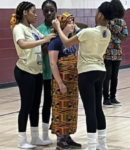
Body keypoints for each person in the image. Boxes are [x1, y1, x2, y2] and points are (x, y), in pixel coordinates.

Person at [51, 0, 125, 150]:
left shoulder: (87, 32)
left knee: (90, 109)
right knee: (98, 108)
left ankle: (91, 145)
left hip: (87, 73)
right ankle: (102, 144)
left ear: (99, 14)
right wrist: (77, 28)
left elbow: (66, 41)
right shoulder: (107, 32)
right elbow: (85, 34)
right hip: (101, 72)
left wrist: (58, 27)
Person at [10, 1, 56, 149]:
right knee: (26, 105)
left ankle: (35, 137)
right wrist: (44, 40)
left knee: (35, 105)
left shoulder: (33, 29)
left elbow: (47, 38)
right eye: (33, 12)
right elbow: (22, 44)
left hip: (37, 72)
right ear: (25, 13)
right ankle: (22, 140)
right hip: (24, 71)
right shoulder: (19, 28)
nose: (36, 15)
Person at [48, 12, 82, 150]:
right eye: (69, 22)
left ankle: (67, 136)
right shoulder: (55, 42)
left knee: (71, 110)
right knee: (61, 109)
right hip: (61, 82)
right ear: (62, 25)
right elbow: (53, 64)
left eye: (73, 22)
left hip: (72, 83)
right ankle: (60, 140)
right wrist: (60, 83)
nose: (72, 25)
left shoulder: (72, 40)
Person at [37, 0, 57, 144]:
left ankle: (62, 134)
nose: (49, 13)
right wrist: (48, 38)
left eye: (51, 10)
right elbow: (42, 51)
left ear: (56, 10)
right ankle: (44, 134)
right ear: (42, 11)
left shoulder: (61, 27)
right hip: (45, 72)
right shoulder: (39, 29)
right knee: (47, 102)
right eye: (46, 10)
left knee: (60, 103)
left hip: (60, 72)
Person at [103, 18, 129, 108]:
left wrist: (118, 32)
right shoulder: (105, 21)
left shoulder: (122, 22)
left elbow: (125, 38)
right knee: (107, 76)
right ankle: (106, 98)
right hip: (106, 53)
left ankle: (113, 97)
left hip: (117, 53)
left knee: (114, 76)